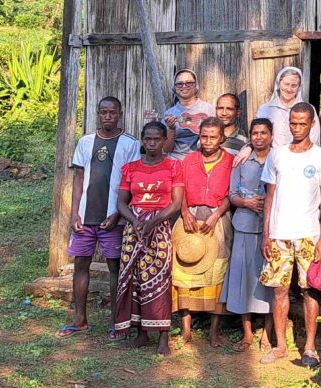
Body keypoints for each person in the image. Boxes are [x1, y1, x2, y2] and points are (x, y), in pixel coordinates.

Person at [56, 97, 141, 340]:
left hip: (114, 219)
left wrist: (118, 213)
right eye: (103, 112)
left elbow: (133, 183)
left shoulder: (130, 143)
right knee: (80, 265)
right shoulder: (85, 142)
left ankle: (117, 322)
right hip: (85, 218)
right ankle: (80, 320)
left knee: (115, 267)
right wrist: (74, 213)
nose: (107, 117)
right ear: (97, 114)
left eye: (112, 113)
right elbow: (78, 179)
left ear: (120, 114)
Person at [258, 102, 321, 366]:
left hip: (309, 235)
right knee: (279, 290)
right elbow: (269, 197)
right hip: (279, 233)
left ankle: (310, 348)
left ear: (312, 124)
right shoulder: (277, 154)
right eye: (293, 122)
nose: (297, 127)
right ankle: (280, 346)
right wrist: (265, 234)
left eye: (303, 123)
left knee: (309, 290)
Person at [113, 121, 184, 355]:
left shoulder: (174, 166)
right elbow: (122, 202)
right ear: (142, 140)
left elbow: (176, 203)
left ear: (164, 141)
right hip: (134, 227)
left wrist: (153, 222)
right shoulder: (130, 168)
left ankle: (163, 336)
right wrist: (134, 222)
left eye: (157, 139)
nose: (152, 143)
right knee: (134, 278)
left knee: (160, 278)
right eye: (148, 139)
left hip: (160, 225)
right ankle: (140, 333)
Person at [172, 117, 234, 348]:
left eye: (213, 137)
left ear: (222, 138)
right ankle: (186, 328)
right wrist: (185, 212)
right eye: (204, 136)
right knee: (185, 269)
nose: (208, 141)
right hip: (190, 217)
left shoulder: (231, 161)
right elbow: (179, 188)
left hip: (217, 218)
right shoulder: (188, 160)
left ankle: (213, 331)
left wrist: (216, 214)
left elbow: (231, 193)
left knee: (217, 270)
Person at [221, 117, 275, 352]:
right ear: (250, 136)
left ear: (271, 135)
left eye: (264, 133)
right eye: (255, 133)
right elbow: (232, 194)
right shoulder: (242, 161)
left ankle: (268, 333)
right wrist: (247, 202)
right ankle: (247, 334)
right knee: (244, 280)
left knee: (271, 280)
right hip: (244, 224)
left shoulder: (280, 158)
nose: (259, 137)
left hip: (273, 228)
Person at [163, 69, 214, 160]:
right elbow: (167, 149)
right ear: (174, 87)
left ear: (196, 85)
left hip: (203, 161)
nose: (184, 86)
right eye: (179, 83)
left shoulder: (209, 109)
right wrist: (171, 129)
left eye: (189, 82)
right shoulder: (169, 114)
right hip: (176, 161)